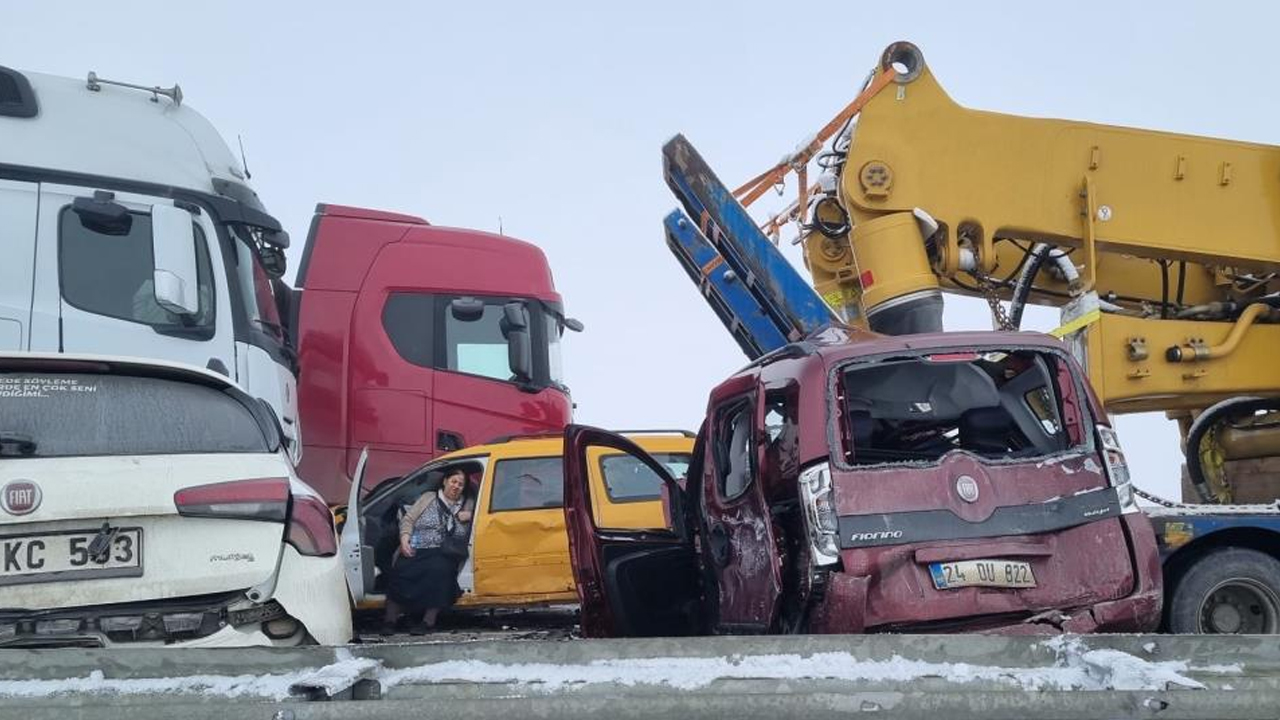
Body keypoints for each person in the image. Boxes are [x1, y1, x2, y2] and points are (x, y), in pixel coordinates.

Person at [382, 468, 474, 634]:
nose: (456, 486)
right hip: (418, 548)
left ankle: (427, 622)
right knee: (400, 573)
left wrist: (470, 515)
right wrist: (404, 540)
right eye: (453, 482)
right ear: (445, 481)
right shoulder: (428, 498)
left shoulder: (467, 503)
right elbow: (408, 520)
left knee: (440, 572)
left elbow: (479, 520)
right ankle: (390, 621)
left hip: (444, 552)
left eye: (461, 484)